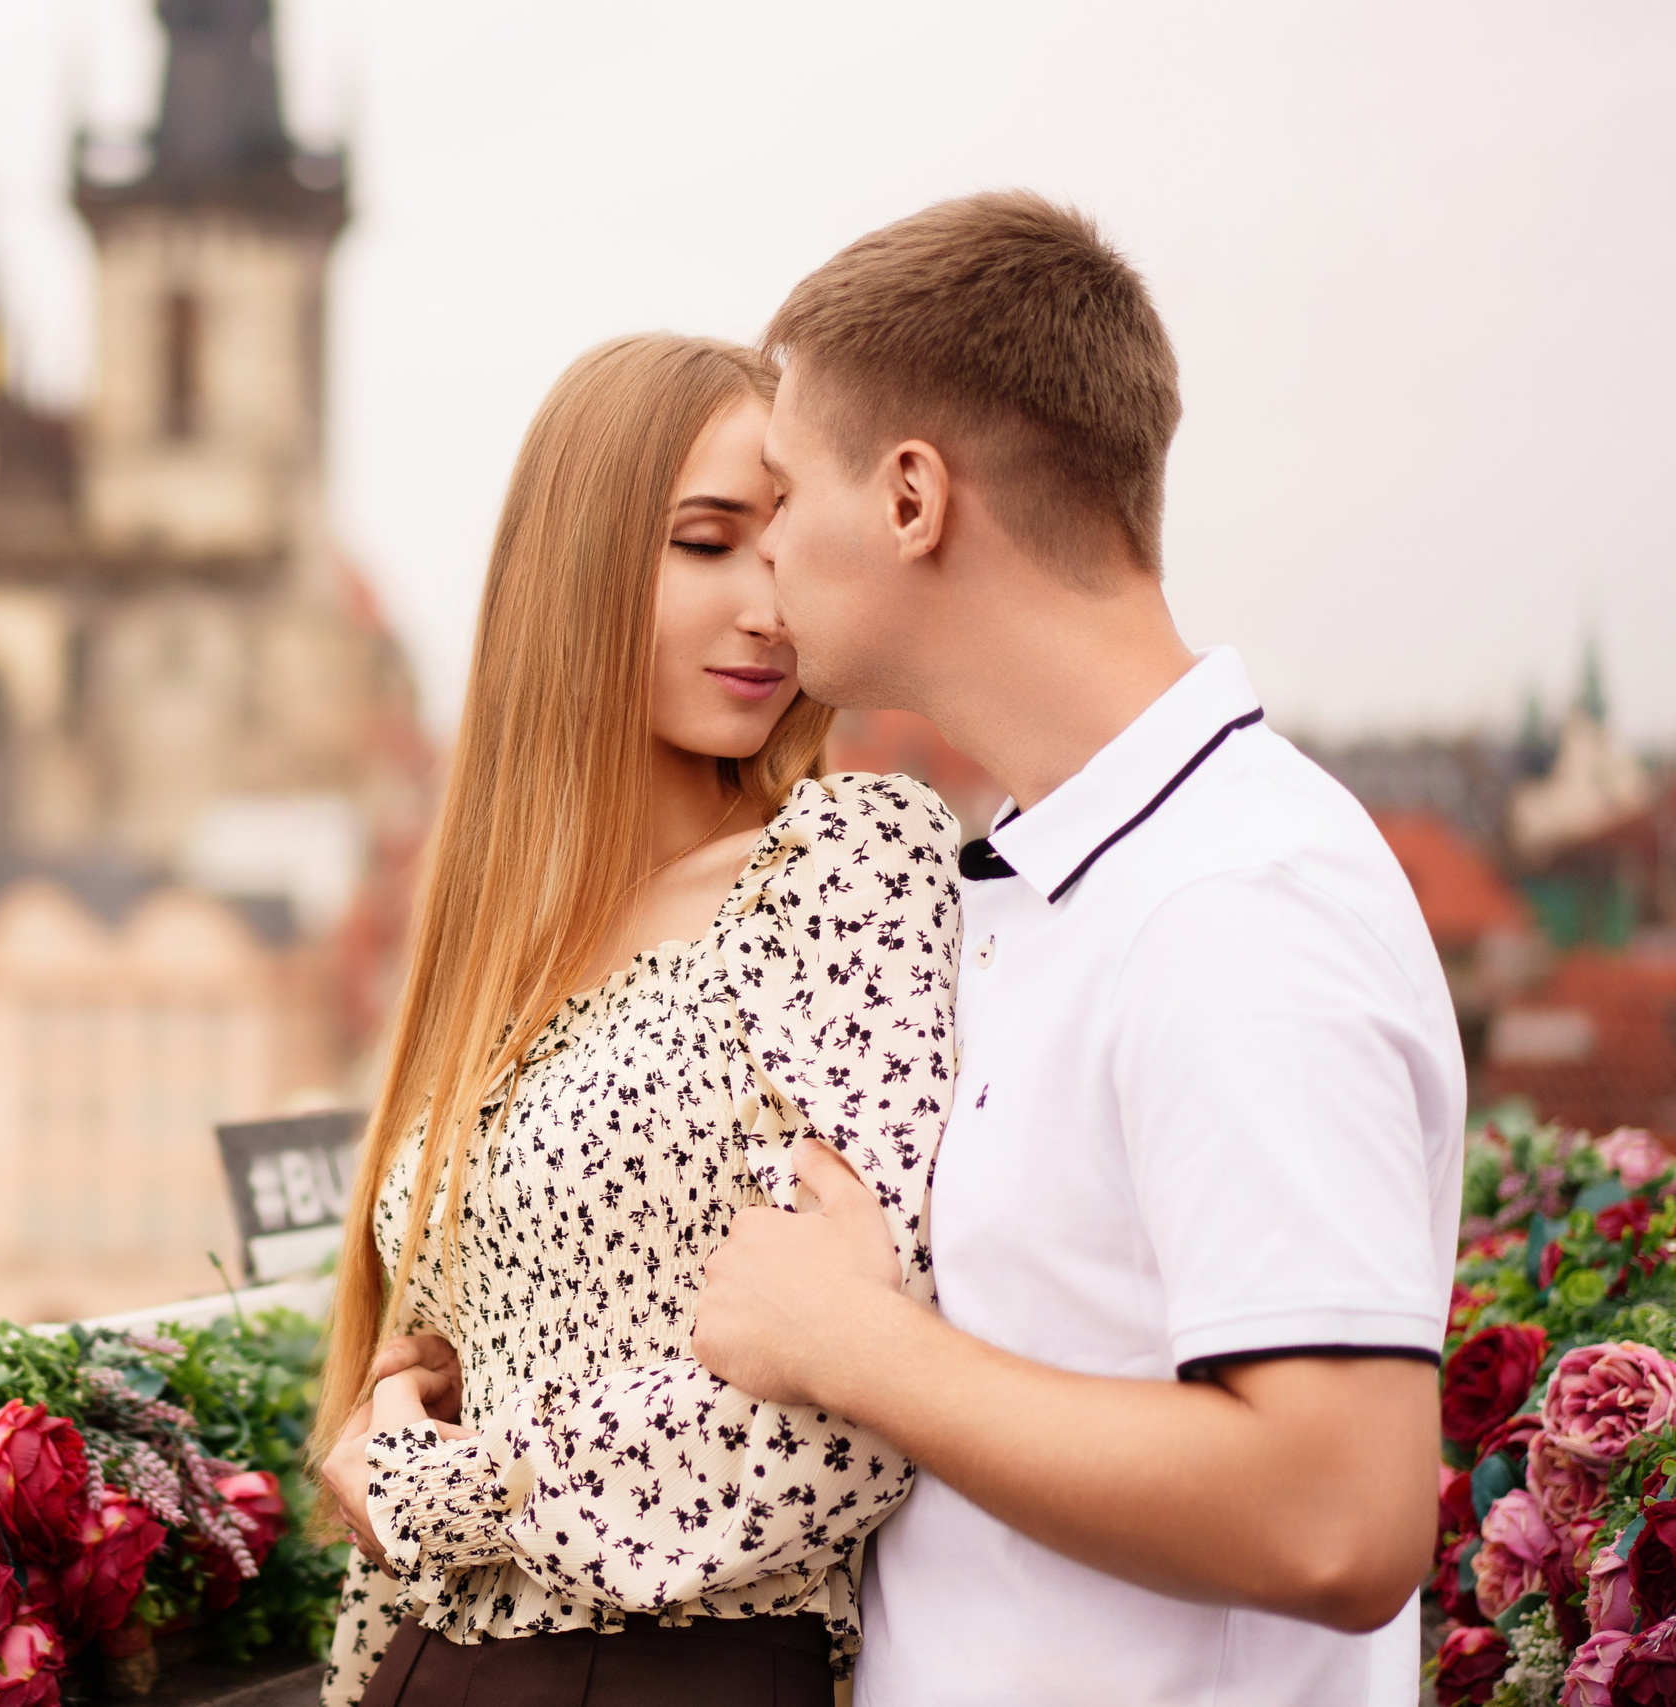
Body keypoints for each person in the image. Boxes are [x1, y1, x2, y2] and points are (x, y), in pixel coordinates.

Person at [689, 191, 1464, 1705]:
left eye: (783, 492)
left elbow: (1340, 1516)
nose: (765, 554)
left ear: (911, 499)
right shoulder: (1066, 876)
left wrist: (856, 1349)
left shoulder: (1234, 904)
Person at [309, 332, 963, 1707]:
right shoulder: (501, 939)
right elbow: (434, 1373)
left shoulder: (845, 866)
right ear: (581, 563)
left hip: (686, 1670)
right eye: (707, 542)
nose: (768, 607)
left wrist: (433, 1484)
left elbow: (850, 1418)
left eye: (782, 545)